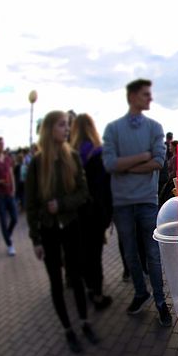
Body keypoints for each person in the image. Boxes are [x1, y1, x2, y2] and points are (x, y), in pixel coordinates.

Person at [26, 111, 99, 353]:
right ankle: (68, 329)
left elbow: (83, 193)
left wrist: (62, 204)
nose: (66, 129)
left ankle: (85, 322)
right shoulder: (37, 163)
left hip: (71, 226)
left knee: (76, 276)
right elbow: (31, 205)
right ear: (49, 129)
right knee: (56, 283)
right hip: (48, 231)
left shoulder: (74, 157)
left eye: (67, 125)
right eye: (61, 125)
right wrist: (35, 238)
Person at [102, 79, 171, 326]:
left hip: (146, 201)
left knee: (153, 253)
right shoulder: (113, 129)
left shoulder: (155, 128)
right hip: (122, 203)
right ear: (131, 96)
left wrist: (126, 165)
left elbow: (158, 162)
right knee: (130, 254)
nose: (149, 99)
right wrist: (142, 157)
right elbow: (110, 164)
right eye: (144, 94)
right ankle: (141, 293)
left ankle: (161, 301)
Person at [71, 113, 113, 311]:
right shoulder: (98, 153)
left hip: (76, 213)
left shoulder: (70, 154)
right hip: (95, 211)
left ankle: (88, 286)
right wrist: (107, 215)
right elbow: (104, 188)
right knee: (95, 254)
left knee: (83, 251)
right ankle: (97, 293)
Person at [0, 137, 19, 256]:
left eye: (3, 144)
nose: (2, 146)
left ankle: (8, 234)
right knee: (3, 220)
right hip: (0, 194)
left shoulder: (7, 159)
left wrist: (14, 188)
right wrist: (1, 181)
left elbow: (11, 174)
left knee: (15, 218)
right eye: (0, 144)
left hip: (9, 192)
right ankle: (9, 244)